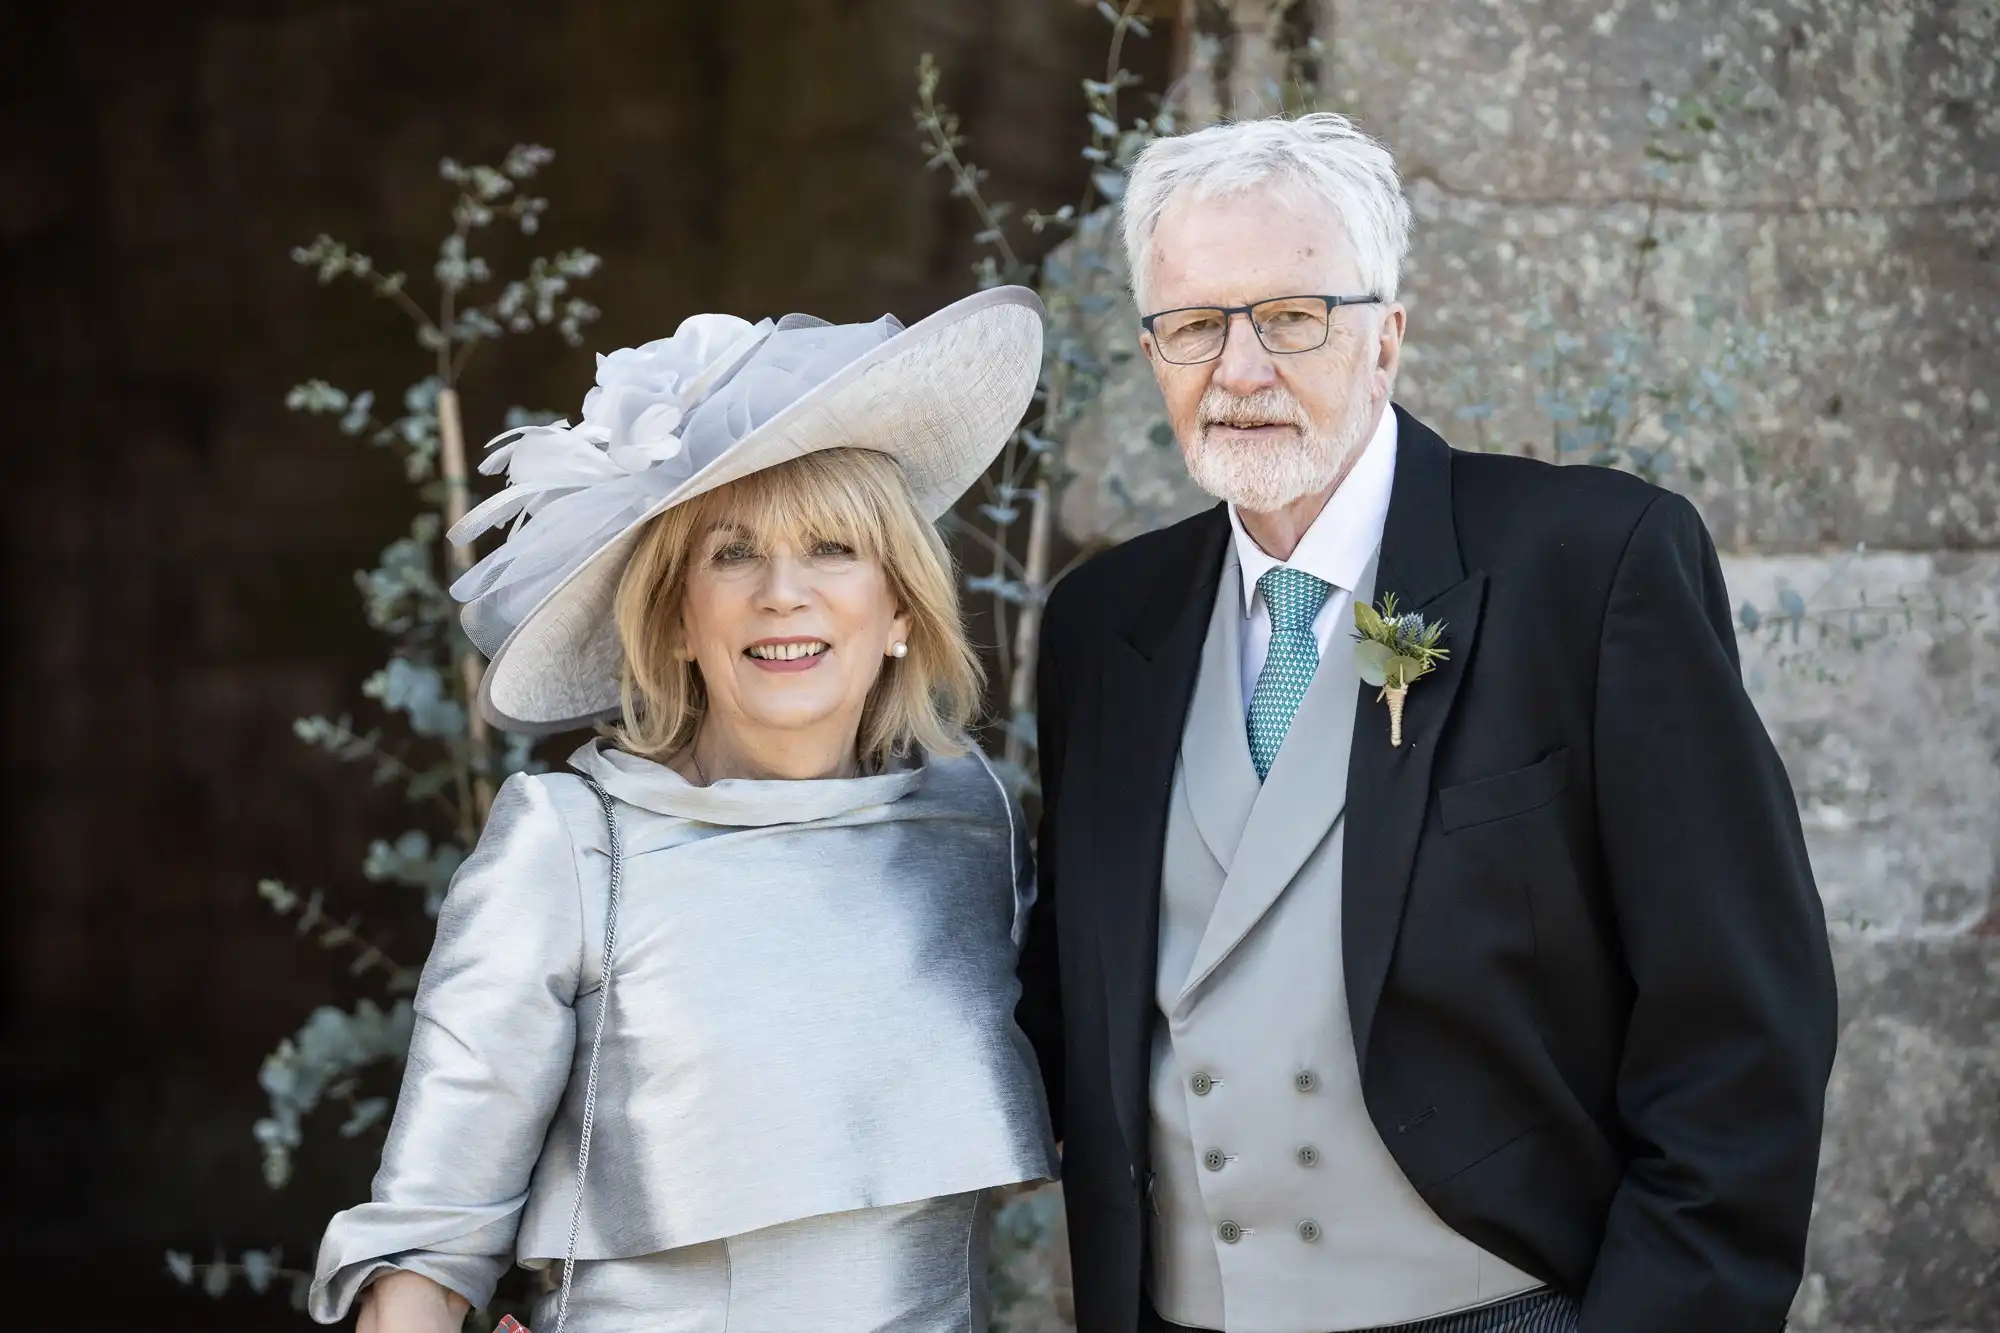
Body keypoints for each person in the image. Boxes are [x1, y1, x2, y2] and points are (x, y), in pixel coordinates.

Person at [1017, 113, 1838, 1333]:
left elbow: (1740, 1025)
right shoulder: (1099, 628)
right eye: (1192, 326)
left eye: (1290, 318)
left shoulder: (1590, 565)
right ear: (1152, 353)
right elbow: (1058, 1011)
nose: (1237, 370)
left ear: (1385, 337)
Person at [309, 289, 1059, 1333]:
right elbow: (425, 1253)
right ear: (672, 621)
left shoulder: (977, 822)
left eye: (832, 548)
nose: (782, 592)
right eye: (733, 553)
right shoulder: (567, 845)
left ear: (899, 610)